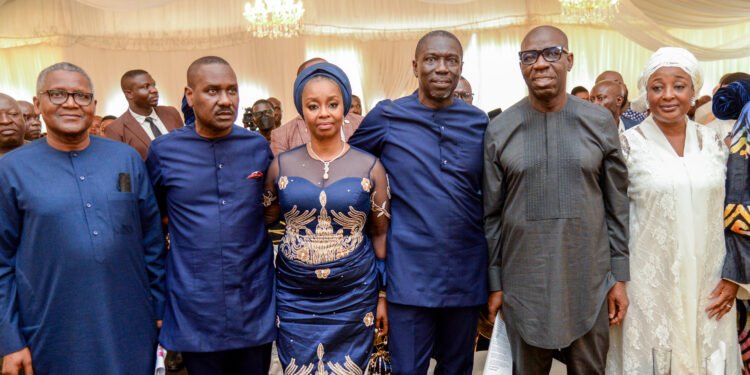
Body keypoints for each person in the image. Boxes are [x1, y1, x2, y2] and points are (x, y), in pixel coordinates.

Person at [0, 62, 165, 375]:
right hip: (51, 329)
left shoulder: (125, 159)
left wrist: (159, 308)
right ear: (37, 104)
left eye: (81, 96)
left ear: (94, 105)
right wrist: (9, 339)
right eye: (58, 94)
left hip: (130, 322)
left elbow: (151, 241)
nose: (72, 103)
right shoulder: (11, 170)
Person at [484, 26, 629, 374]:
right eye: (529, 57)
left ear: (569, 59)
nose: (540, 64)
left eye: (551, 53)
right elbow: (491, 215)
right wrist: (496, 282)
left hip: (589, 280)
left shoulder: (599, 122)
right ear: (521, 66)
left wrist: (619, 276)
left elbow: (617, 205)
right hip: (523, 285)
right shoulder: (500, 129)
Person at [349, 30, 488, 374]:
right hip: (409, 274)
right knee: (408, 369)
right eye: (431, 59)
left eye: (450, 60)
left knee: (457, 369)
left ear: (460, 68)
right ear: (415, 66)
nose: (442, 68)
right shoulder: (387, 116)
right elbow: (350, 168)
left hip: (466, 272)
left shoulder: (478, 122)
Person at [606, 47, 743, 374]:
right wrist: (616, 281)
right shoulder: (626, 146)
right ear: (646, 92)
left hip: (710, 282)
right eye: (657, 87)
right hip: (648, 284)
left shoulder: (714, 144)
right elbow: (611, 219)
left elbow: (735, 214)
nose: (668, 96)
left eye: (679, 86)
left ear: (694, 91)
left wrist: (735, 275)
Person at [146, 56, 275, 375]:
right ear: (190, 95)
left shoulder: (257, 147)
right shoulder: (164, 152)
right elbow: (154, 219)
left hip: (252, 299)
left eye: (232, 91)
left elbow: (270, 208)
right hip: (195, 302)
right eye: (213, 91)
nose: (225, 100)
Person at [264, 61, 390, 374]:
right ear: (301, 110)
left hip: (355, 295)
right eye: (313, 105)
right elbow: (264, 222)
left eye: (332, 104)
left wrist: (383, 294)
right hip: (294, 299)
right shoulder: (280, 166)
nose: (324, 113)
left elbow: (380, 234)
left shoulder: (370, 166)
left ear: (345, 107)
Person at [270, 58, 363, 156]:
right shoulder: (282, 135)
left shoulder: (361, 124)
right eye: (312, 76)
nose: (320, 81)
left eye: (326, 73)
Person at [104, 69, 183, 159]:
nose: (154, 90)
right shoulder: (115, 129)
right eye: (146, 87)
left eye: (154, 85)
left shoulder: (171, 113)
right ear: (129, 94)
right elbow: (121, 165)